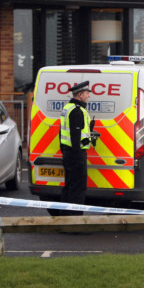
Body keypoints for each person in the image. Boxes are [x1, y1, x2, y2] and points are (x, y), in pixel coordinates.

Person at [59, 81, 93, 215]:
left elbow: (63, 132)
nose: (88, 96)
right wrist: (78, 155)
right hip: (76, 154)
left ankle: (64, 219)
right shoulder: (77, 111)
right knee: (78, 189)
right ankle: (75, 222)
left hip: (68, 153)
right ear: (80, 94)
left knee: (69, 186)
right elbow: (75, 136)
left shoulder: (68, 107)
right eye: (86, 93)